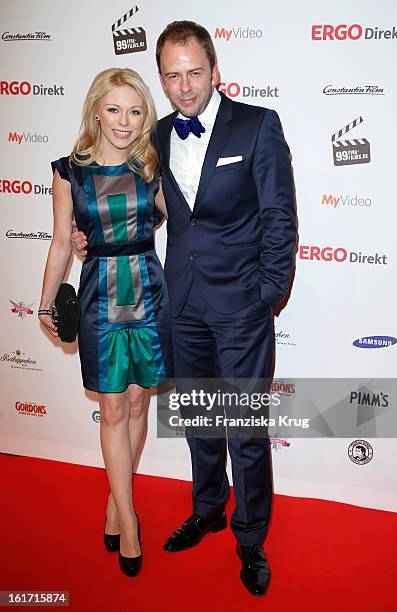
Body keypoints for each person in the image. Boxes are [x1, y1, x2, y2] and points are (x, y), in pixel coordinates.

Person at [73, 21, 297, 596]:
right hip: (180, 302)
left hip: (244, 304)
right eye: (172, 76)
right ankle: (208, 509)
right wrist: (85, 238)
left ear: (214, 70)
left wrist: (267, 294)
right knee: (199, 418)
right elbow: (127, 204)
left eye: (195, 72)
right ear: (163, 81)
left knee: (244, 428)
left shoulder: (257, 126)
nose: (185, 85)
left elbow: (279, 218)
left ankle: (250, 538)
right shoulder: (157, 139)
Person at [39, 67, 171, 578]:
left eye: (135, 110)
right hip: (99, 295)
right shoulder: (68, 171)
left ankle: (117, 504)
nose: (124, 120)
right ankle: (130, 521)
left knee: (139, 401)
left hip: (147, 292)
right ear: (96, 110)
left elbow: (182, 220)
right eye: (114, 108)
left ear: (146, 118)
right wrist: (46, 302)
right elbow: (58, 241)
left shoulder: (151, 167)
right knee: (113, 410)